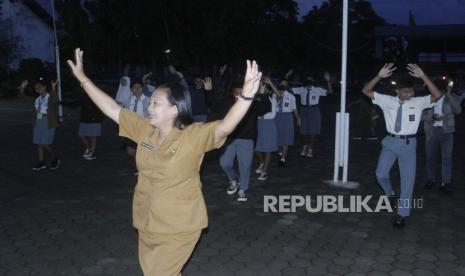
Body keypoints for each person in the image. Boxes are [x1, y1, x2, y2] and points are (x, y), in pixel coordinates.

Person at [67, 48, 262, 276]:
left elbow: (225, 126)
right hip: (147, 219)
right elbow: (113, 109)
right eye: (150, 103)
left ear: (174, 109)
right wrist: (83, 78)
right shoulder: (145, 130)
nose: (149, 108)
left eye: (156, 104)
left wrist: (247, 97)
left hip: (179, 225)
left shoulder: (193, 136)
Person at [362, 63, 442, 228]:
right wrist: (379, 76)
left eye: (411, 91)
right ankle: (390, 194)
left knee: (407, 181)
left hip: (408, 144)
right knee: (380, 174)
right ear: (397, 91)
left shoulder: (418, 102)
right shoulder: (387, 100)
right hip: (390, 142)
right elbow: (366, 91)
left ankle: (402, 214)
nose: (410, 94)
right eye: (406, 91)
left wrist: (423, 76)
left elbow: (437, 95)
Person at [219, 81, 271, 202]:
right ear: (232, 93)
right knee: (224, 162)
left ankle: (242, 189)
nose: (238, 96)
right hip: (230, 139)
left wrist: (262, 93)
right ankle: (233, 180)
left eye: (240, 93)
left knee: (245, 166)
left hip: (246, 139)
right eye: (235, 93)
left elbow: (266, 108)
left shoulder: (252, 103)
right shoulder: (228, 103)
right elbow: (214, 104)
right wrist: (208, 91)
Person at [422, 79, 462, 194]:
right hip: (431, 131)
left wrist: (449, 95)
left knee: (447, 158)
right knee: (430, 157)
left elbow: (458, 110)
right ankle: (431, 179)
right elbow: (420, 116)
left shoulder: (451, 97)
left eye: (441, 90)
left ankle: (446, 182)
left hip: (447, 131)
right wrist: (432, 117)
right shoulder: (427, 100)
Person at [288, 71, 333, 157]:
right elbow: (289, 89)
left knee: (313, 131)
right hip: (304, 110)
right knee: (303, 131)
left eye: (310, 79)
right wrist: (287, 77)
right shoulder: (302, 89)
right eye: (307, 79)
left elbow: (330, 92)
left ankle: (310, 149)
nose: (308, 81)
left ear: (313, 81)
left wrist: (328, 81)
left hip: (314, 110)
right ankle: (305, 145)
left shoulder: (317, 90)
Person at [32, 78, 61, 170]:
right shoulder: (37, 100)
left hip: (48, 121)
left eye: (39, 86)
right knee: (39, 144)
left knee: (45, 143)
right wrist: (22, 88)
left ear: (44, 87)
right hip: (38, 122)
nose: (37, 89)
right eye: (36, 88)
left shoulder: (50, 97)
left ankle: (55, 158)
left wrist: (53, 88)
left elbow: (56, 100)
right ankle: (41, 162)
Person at [254, 77, 278, 181]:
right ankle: (263, 162)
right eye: (261, 88)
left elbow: (279, 94)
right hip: (259, 123)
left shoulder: (274, 99)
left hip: (269, 124)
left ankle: (265, 172)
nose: (263, 90)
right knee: (256, 148)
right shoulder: (258, 99)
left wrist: (270, 82)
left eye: (265, 88)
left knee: (268, 149)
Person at [272, 79, 300, 166]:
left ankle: (283, 158)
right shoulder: (274, 94)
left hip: (287, 117)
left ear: (287, 86)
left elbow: (294, 109)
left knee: (286, 138)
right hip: (276, 116)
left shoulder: (291, 96)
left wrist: (298, 118)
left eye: (285, 84)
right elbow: (277, 98)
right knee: (276, 136)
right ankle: (280, 151)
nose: (283, 85)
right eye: (281, 83)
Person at [126, 79, 150, 175]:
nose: (137, 89)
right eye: (134, 87)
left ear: (142, 88)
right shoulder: (129, 100)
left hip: (144, 129)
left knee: (145, 149)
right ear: (132, 89)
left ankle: (142, 168)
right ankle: (141, 165)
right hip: (132, 129)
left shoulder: (147, 100)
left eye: (139, 87)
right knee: (130, 151)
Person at [78, 88, 104, 160]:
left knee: (93, 136)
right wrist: (61, 102)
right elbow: (75, 104)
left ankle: (92, 152)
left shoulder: (96, 96)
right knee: (81, 135)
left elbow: (102, 107)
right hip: (84, 119)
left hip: (94, 119)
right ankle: (89, 148)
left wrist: (99, 118)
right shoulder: (84, 95)